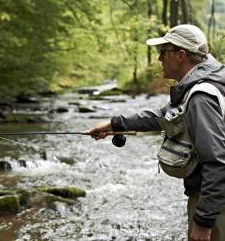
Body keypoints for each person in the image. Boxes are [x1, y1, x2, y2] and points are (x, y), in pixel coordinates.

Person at [85, 24, 225, 241]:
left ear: (180, 55)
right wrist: (115, 124)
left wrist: (203, 222)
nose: (160, 59)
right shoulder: (207, 83)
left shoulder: (201, 97)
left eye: (164, 52)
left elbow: (217, 162)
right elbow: (164, 115)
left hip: (215, 202)